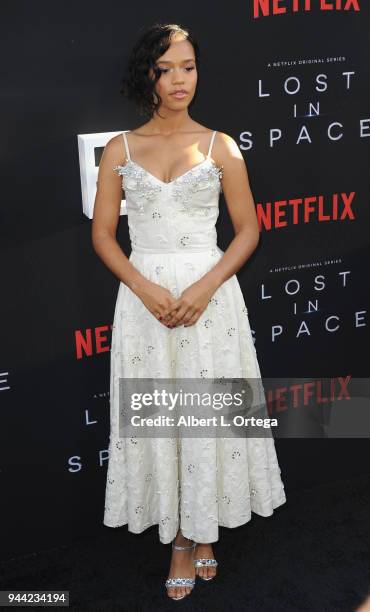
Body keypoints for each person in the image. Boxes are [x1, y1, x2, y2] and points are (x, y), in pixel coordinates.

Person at [92, 22, 286, 601]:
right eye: (166, 69)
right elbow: (103, 235)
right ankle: (178, 535)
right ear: (146, 75)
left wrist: (205, 287)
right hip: (144, 298)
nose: (180, 80)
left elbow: (248, 230)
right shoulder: (120, 149)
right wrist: (145, 289)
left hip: (211, 297)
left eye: (189, 67)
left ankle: (205, 534)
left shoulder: (219, 145)